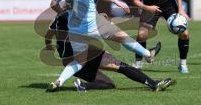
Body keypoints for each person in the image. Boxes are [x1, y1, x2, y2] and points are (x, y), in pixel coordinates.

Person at [49, 0, 162, 89]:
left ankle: (59, 81)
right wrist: (115, 1)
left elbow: (53, 4)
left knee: (78, 62)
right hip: (91, 25)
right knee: (122, 36)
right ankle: (147, 54)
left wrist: (64, 12)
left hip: (75, 30)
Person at [44, 12, 175, 92]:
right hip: (83, 55)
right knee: (121, 66)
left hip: (68, 59)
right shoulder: (79, 16)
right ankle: (154, 83)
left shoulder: (59, 17)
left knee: (108, 84)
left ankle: (81, 85)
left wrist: (49, 47)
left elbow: (48, 35)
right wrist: (104, 22)